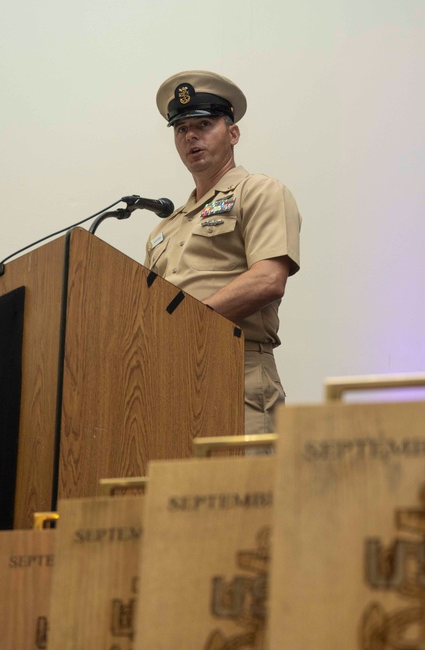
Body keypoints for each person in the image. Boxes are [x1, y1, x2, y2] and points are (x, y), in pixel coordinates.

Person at [145, 70, 302, 435]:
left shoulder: (259, 191)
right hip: (169, 382)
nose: (191, 136)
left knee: (242, 491)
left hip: (238, 369)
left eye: (203, 124)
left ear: (233, 134)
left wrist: (184, 326)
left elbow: (268, 280)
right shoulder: (163, 228)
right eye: (181, 129)